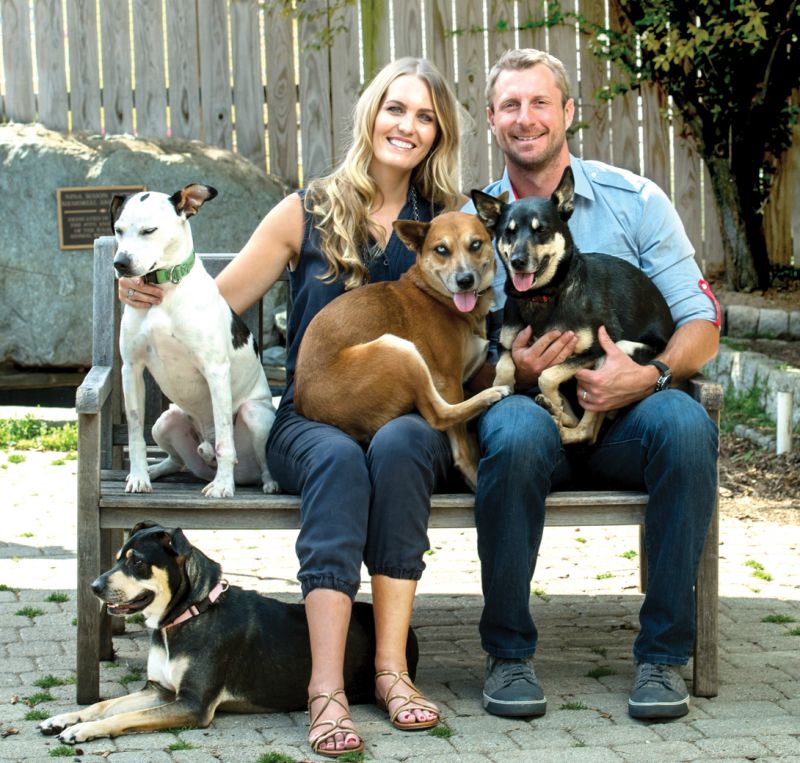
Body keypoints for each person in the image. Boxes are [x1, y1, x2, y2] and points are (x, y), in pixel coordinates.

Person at [118, 57, 464, 757]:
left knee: (399, 449)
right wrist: (143, 285)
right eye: (396, 108)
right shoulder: (306, 210)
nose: (408, 125)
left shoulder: (446, 223)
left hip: (406, 417)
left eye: (426, 115)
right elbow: (215, 303)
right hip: (310, 420)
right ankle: (328, 687)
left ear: (440, 133)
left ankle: (392, 671)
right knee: (337, 462)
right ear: (371, 114)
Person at [463, 49, 720, 721]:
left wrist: (652, 373)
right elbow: (447, 341)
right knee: (515, 432)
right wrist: (511, 368)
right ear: (492, 120)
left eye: (540, 102)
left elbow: (701, 322)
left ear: (568, 111)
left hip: (624, 421)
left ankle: (664, 656)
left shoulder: (635, 201)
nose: (526, 119)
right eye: (510, 105)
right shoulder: (473, 223)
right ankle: (510, 654)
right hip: (530, 412)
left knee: (686, 425)